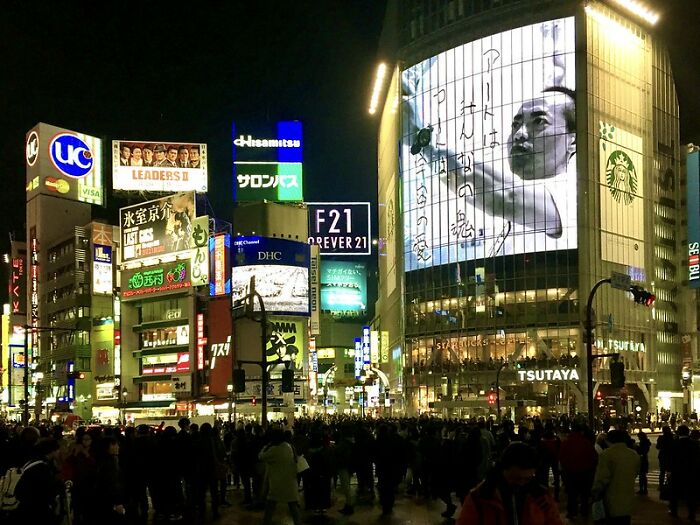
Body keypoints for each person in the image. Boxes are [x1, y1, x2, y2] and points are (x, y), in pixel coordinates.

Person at [456, 441, 562, 525]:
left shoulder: (541, 497)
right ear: (503, 469)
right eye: (515, 478)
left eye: (527, 479)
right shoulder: (481, 497)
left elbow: (554, 521)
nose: (521, 483)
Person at [591, 430, 640, 525]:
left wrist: (595, 491)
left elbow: (602, 477)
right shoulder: (633, 455)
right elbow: (635, 473)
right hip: (627, 495)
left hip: (611, 498)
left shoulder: (607, 454)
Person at [13, 438, 65, 525]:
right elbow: (47, 489)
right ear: (52, 451)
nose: (59, 452)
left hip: (27, 506)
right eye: (57, 450)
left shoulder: (33, 462)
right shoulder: (42, 467)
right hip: (36, 508)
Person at [259, 427, 302, 525]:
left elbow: (261, 456)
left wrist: (266, 446)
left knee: (270, 507)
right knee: (293, 506)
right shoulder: (289, 447)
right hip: (290, 482)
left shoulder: (274, 450)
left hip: (277, 483)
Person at [559, 422, 597, 519]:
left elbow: (562, 457)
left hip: (570, 472)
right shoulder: (587, 443)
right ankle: (584, 512)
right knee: (584, 494)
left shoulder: (566, 443)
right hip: (585, 472)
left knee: (572, 494)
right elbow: (593, 457)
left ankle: (572, 512)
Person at [668, 424, 700, 520]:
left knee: (674, 493)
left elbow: (670, 459)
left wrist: (669, 470)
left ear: (678, 433)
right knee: (691, 493)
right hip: (691, 472)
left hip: (677, 472)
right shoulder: (695, 444)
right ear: (688, 432)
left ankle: (674, 511)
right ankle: (691, 513)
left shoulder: (674, 444)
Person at [636, 431, 651, 495]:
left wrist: (636, 447)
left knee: (642, 475)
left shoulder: (643, 443)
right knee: (643, 475)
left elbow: (641, 451)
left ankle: (642, 489)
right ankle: (644, 489)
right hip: (644, 459)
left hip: (642, 460)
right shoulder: (646, 443)